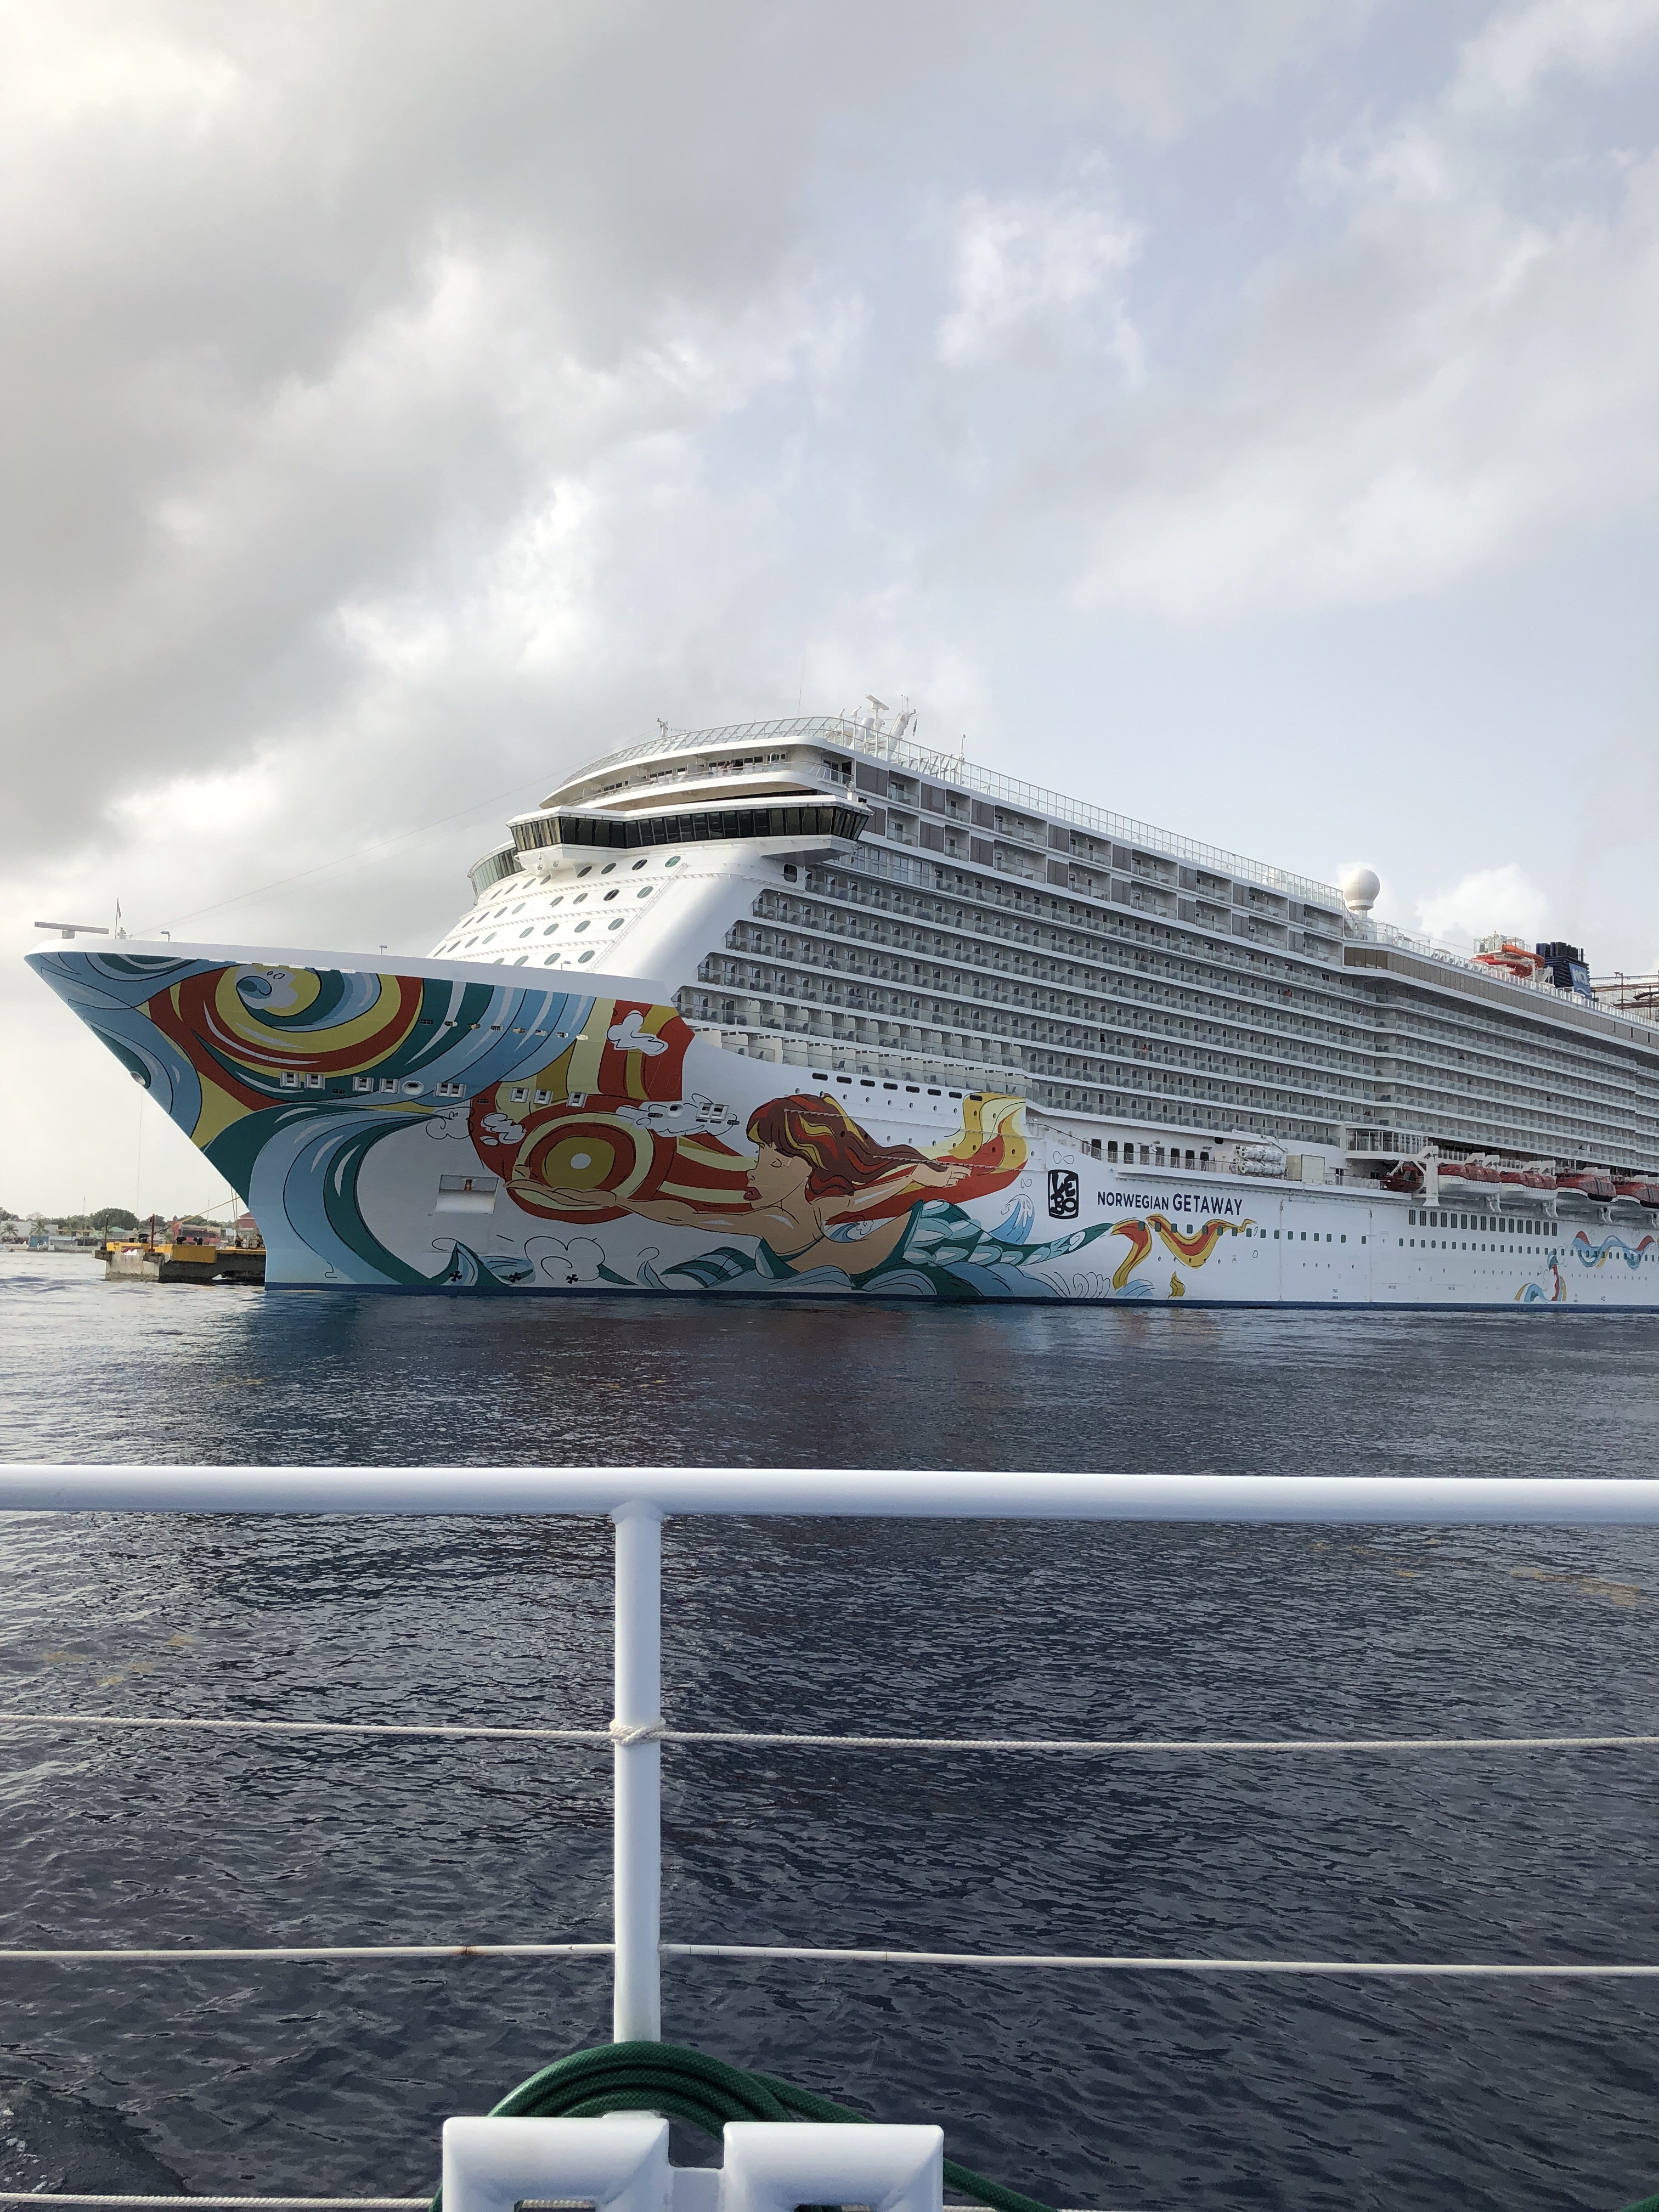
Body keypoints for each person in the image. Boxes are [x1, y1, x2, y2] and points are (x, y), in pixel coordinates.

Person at [538, 1091, 1114, 1299]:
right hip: (895, 1249)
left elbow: (686, 1216)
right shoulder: (817, 1209)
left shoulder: (776, 1223)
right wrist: (920, 1177)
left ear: (808, 1166)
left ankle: (1106, 1236)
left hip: (901, 1246)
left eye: (774, 1158)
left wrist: (612, 1200)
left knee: (1014, 1256)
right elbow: (872, 1195)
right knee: (1013, 1254)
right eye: (762, 1155)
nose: (758, 1167)